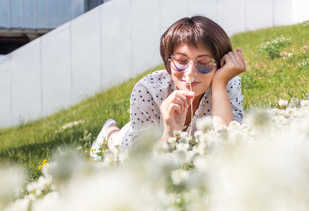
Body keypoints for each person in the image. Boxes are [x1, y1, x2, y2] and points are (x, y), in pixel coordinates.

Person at [90, 16, 246, 159]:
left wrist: (219, 84)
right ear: (168, 62)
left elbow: (230, 148)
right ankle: (108, 130)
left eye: (204, 62)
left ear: (220, 64)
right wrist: (169, 132)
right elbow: (142, 161)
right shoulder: (147, 90)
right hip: (139, 142)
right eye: (181, 61)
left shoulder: (226, 83)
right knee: (116, 143)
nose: (190, 73)